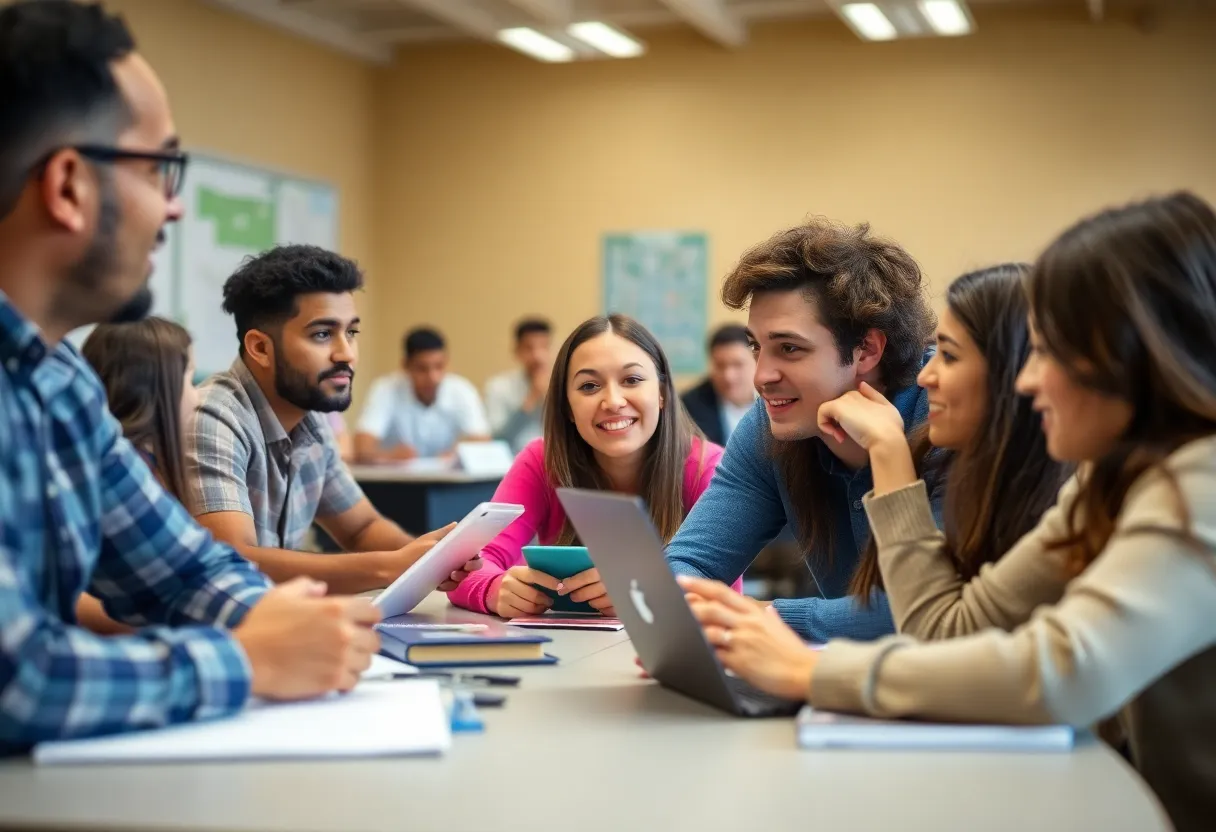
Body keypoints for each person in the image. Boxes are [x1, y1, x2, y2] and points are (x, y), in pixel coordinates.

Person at [680, 192, 1216, 832]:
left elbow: (1061, 670)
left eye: (1050, 352)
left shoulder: (1198, 485)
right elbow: (949, 627)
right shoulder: (1103, 484)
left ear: (1132, 357)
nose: (1025, 382)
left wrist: (803, 663)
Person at [0, 0, 379, 750]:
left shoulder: (61, 386)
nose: (174, 207)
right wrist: (245, 657)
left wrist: (295, 622)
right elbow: (17, 680)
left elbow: (179, 569)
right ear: (69, 185)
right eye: (161, 167)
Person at [665, 216, 939, 641]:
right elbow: (686, 567)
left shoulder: (945, 417)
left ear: (866, 349)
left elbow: (924, 610)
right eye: (757, 347)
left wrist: (765, 618)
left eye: (789, 348)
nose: (760, 376)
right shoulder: (768, 426)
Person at [184, 245, 479, 596]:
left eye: (351, 332)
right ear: (260, 348)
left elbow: (362, 527)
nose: (347, 354)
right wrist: (392, 565)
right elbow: (233, 561)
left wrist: (430, 557)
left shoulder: (312, 420)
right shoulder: (213, 417)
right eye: (322, 334)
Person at [448, 315, 727, 619]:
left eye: (632, 380)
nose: (613, 401)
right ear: (567, 406)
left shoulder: (707, 468)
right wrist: (493, 588)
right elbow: (466, 564)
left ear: (661, 393)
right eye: (590, 386)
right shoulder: (542, 461)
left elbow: (725, 596)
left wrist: (642, 594)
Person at [846, 264, 1073, 601]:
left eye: (949, 356)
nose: (926, 377)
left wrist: (888, 449)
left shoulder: (1068, 510)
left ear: (1011, 371)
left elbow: (926, 616)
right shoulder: (962, 470)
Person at [78, 317, 199, 635]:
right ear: (159, 386)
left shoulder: (146, 465)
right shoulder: (119, 472)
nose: (198, 398)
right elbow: (73, 601)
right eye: (189, 380)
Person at [355, 326, 490, 462]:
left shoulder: (461, 390)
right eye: (422, 369)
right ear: (405, 366)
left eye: (439, 366)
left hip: (447, 480)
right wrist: (389, 457)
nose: (432, 377)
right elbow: (362, 448)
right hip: (396, 480)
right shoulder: (385, 389)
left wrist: (459, 453)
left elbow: (482, 440)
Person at [484, 317, 553, 455]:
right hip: (510, 465)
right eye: (529, 348)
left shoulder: (564, 386)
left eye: (544, 347)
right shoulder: (498, 387)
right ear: (517, 351)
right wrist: (530, 400)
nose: (537, 355)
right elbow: (496, 438)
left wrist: (553, 400)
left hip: (555, 465)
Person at [681, 324, 756, 446]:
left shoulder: (779, 400)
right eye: (720, 366)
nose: (728, 376)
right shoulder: (689, 407)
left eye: (738, 364)